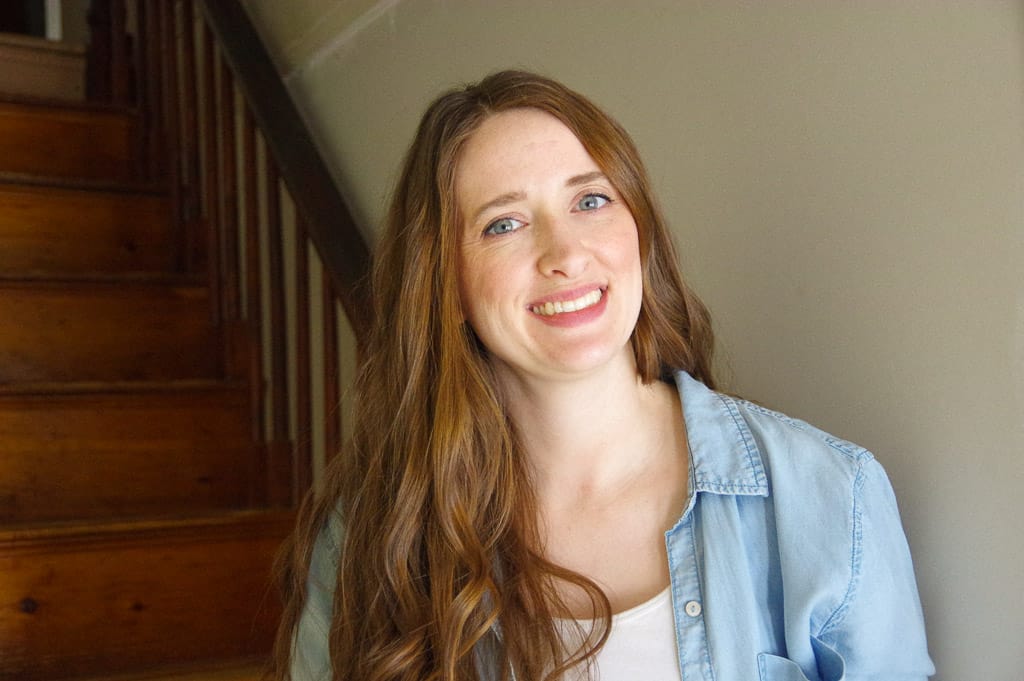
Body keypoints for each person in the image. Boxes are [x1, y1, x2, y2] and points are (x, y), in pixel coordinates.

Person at [272, 70, 934, 681]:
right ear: (446, 282)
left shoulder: (831, 496)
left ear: (638, 229)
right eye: (503, 223)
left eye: (590, 200)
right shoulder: (377, 530)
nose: (564, 254)